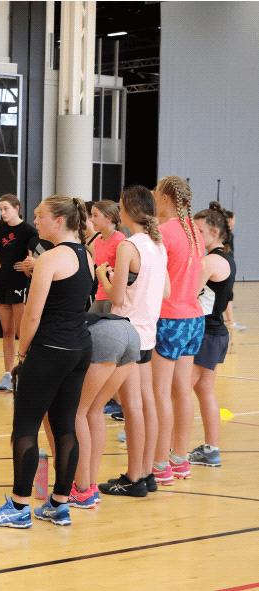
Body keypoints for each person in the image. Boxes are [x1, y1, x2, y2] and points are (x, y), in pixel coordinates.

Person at [0, 195, 92, 529]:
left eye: (40, 215)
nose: (36, 221)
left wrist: (23, 353)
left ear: (59, 221)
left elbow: (31, 315)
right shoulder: (86, 254)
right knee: (65, 426)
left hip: (50, 349)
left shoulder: (50, 258)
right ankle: (59, 504)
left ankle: (18, 507)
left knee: (25, 427)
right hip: (79, 349)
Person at [96, 186, 169, 497]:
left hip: (128, 332)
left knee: (133, 406)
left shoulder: (128, 246)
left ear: (128, 211)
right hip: (148, 332)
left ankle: (134, 478)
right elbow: (165, 291)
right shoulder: (157, 245)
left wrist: (103, 275)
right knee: (146, 403)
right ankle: (147, 473)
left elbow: (116, 297)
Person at [150, 175, 205, 485]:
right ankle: (180, 459)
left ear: (166, 198)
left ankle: (160, 462)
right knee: (182, 391)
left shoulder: (164, 232)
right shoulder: (194, 230)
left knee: (160, 393)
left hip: (169, 318)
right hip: (193, 318)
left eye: (156, 193)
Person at [70, 314, 140, 505]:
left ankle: (81, 489)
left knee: (77, 412)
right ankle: (89, 486)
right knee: (95, 410)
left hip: (104, 335)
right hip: (130, 331)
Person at [186, 202, 236, 468]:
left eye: (199, 231)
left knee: (179, 392)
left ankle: (171, 449)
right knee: (204, 391)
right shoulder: (224, 257)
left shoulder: (211, 261)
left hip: (206, 333)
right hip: (213, 332)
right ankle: (211, 450)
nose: (195, 235)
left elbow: (187, 294)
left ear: (215, 231)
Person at [0, 194, 38, 391]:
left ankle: (24, 372)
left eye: (6, 208)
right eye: (0, 209)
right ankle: (8, 374)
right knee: (6, 330)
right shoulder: (0, 229)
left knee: (20, 331)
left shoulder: (28, 230)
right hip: (2, 282)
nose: (3, 212)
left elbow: (35, 255)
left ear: (17, 208)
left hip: (19, 283)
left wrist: (28, 266)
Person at [88, 200, 127, 313]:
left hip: (114, 296)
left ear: (108, 219)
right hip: (100, 294)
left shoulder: (120, 240)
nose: (91, 219)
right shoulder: (97, 241)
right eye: (91, 215)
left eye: (95, 215)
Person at [222, 210, 246, 331]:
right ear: (229, 220)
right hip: (226, 265)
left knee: (226, 293)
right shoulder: (227, 234)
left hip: (226, 265)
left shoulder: (224, 233)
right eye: (234, 219)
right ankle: (230, 321)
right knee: (227, 294)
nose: (234, 222)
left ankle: (229, 320)